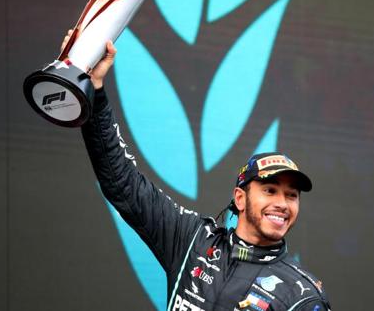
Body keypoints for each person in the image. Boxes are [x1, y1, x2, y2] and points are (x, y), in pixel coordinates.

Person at [74, 33, 331, 311]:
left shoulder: (302, 296)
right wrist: (95, 90)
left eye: (291, 195)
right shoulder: (192, 241)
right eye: (270, 190)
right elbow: (121, 183)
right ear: (240, 198)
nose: (282, 203)